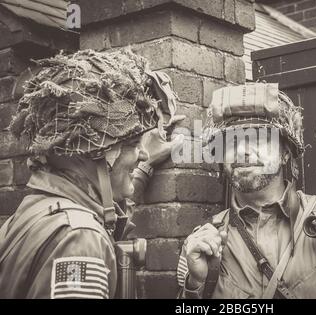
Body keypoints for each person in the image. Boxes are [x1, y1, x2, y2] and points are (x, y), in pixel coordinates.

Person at [177, 83, 316, 299]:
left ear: (285, 152)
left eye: (258, 138)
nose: (243, 151)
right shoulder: (203, 245)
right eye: (230, 142)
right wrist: (195, 285)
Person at [0, 48, 184, 299]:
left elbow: (104, 203)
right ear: (97, 154)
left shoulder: (36, 209)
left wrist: (143, 167)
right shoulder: (80, 238)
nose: (142, 153)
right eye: (132, 144)